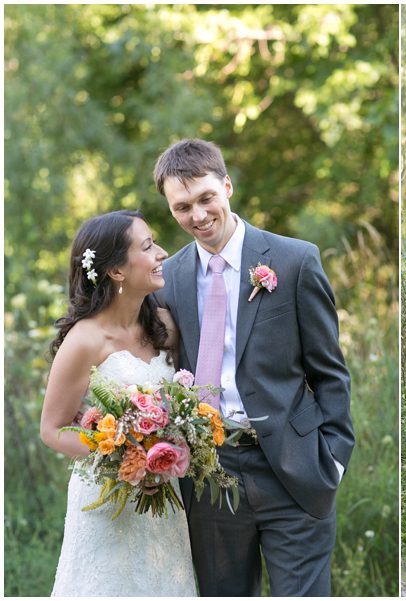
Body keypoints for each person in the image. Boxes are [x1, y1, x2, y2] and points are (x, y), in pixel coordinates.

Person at [152, 139, 354, 596]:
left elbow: (330, 372)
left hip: (295, 469)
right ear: (170, 209)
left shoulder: (294, 260)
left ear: (227, 186)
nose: (198, 216)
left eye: (206, 199)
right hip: (209, 474)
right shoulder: (168, 281)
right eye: (182, 207)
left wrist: (334, 459)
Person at [41, 210, 197, 596]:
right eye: (147, 246)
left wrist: (161, 454)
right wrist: (119, 453)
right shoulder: (86, 340)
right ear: (116, 272)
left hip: (164, 497)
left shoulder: (164, 325)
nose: (162, 253)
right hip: (107, 502)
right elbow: (52, 429)